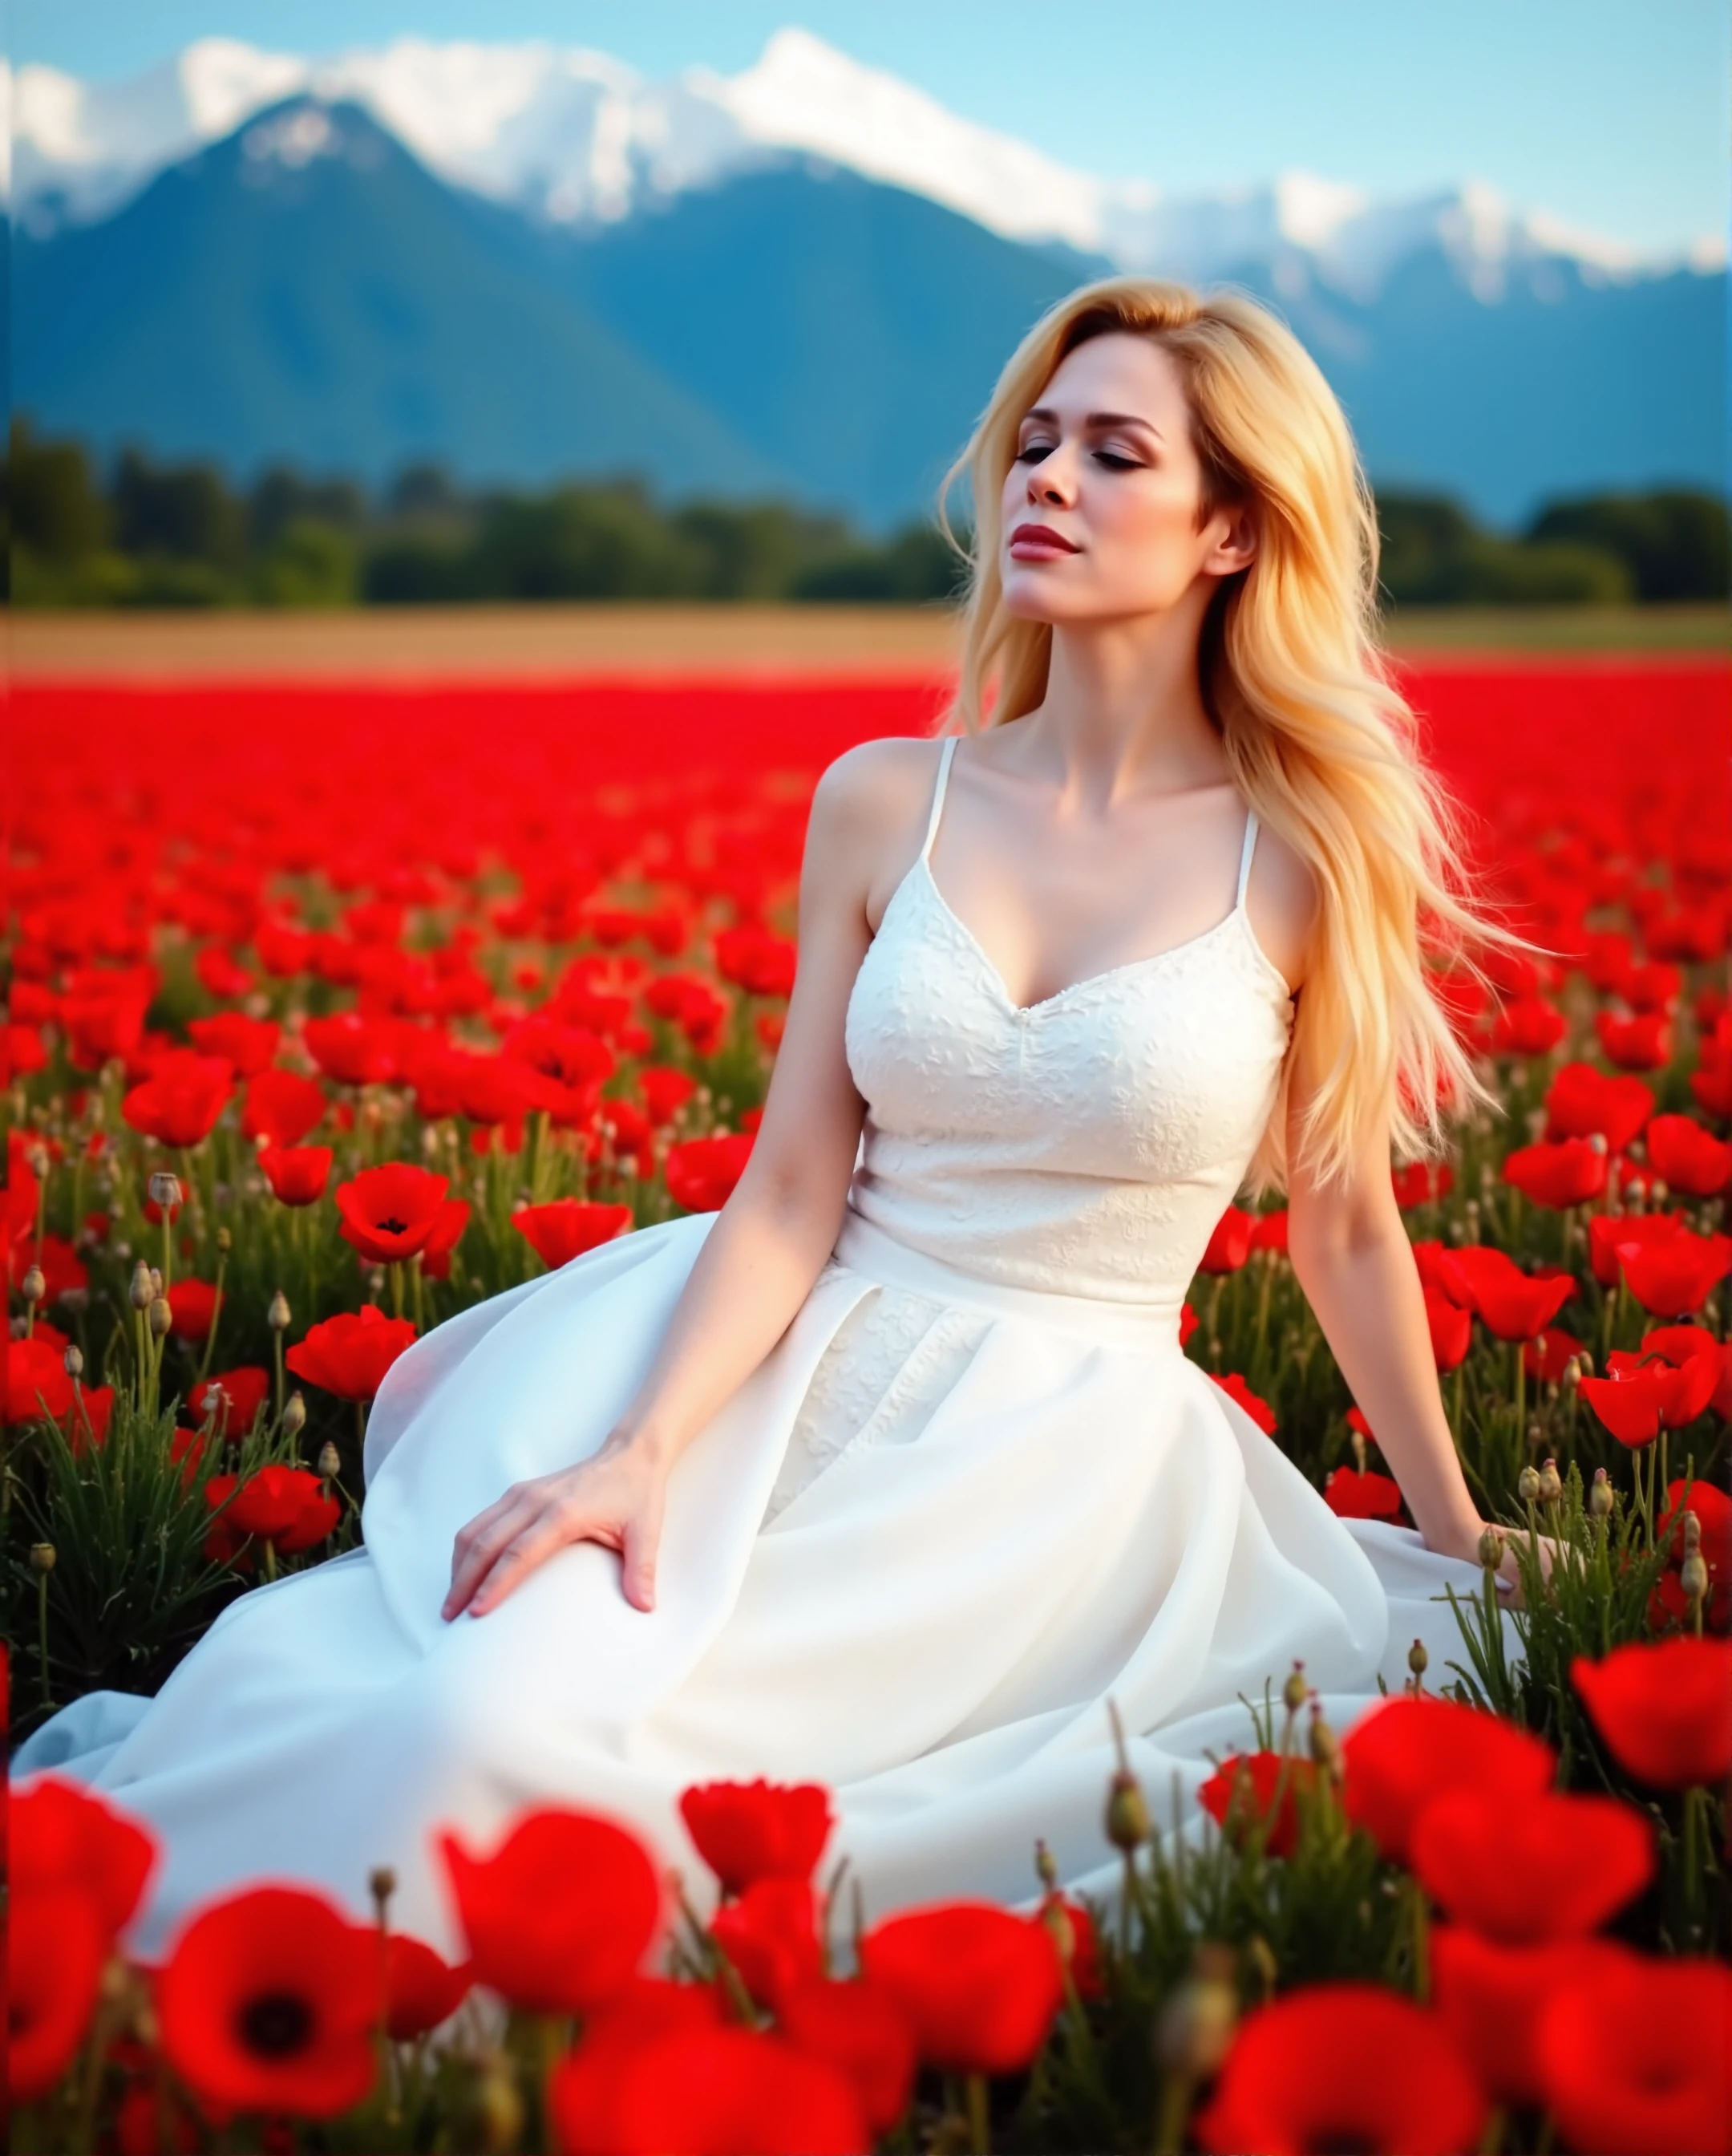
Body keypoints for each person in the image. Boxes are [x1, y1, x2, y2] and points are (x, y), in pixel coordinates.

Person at [16, 276, 1558, 1964]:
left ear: (1233, 533)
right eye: (1033, 444)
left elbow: (1343, 1227)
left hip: (1062, 1487)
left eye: (1115, 454)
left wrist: (1454, 1518)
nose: (1043, 481)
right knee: (470, 1734)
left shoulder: (1311, 856)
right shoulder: (890, 799)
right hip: (774, 1387)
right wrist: (641, 1450)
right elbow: (793, 1182)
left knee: (742, 1825)